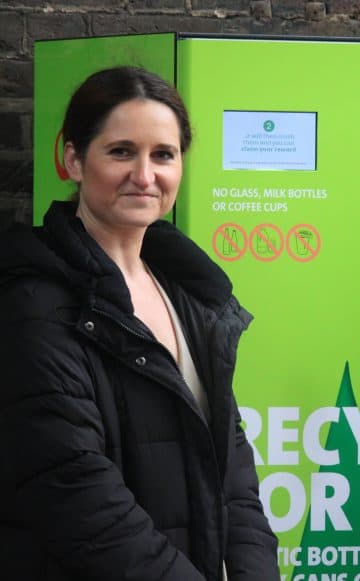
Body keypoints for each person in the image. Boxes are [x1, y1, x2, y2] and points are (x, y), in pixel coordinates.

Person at [0, 66, 279, 580]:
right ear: (72, 159)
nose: (145, 176)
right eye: (121, 151)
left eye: (163, 155)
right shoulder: (32, 306)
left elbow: (234, 473)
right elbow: (79, 499)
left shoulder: (189, 293)